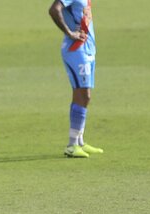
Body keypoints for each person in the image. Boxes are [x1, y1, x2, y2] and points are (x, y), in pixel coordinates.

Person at [49, 0, 103, 158]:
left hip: (87, 48)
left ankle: (79, 141)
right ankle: (72, 145)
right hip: (76, 50)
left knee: (83, 97)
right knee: (83, 95)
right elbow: (54, 9)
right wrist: (70, 33)